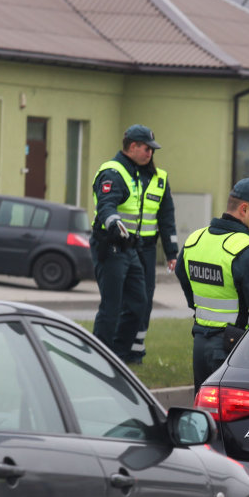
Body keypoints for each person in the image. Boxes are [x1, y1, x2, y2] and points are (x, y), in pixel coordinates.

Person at [175, 178, 249, 393]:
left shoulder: (194, 240)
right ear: (244, 209)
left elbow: (187, 285)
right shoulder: (248, 251)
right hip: (234, 348)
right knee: (231, 417)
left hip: (200, 343)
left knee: (206, 412)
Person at [90, 124, 178, 364]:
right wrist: (113, 220)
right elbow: (106, 202)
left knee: (140, 302)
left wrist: (172, 250)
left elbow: (165, 216)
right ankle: (99, 356)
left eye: (152, 149)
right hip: (111, 245)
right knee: (112, 305)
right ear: (132, 147)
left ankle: (119, 354)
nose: (150, 153)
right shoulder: (114, 171)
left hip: (132, 248)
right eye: (146, 148)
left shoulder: (139, 172)